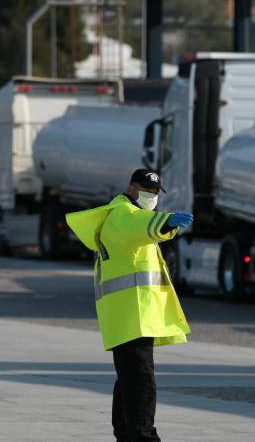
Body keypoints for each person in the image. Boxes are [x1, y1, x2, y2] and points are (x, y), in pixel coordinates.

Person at [65, 168, 192, 442]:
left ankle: (126, 433)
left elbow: (143, 228)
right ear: (132, 187)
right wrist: (167, 221)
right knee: (141, 381)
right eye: (148, 191)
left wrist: (164, 225)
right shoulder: (121, 214)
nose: (153, 196)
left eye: (156, 192)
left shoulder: (123, 215)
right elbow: (140, 225)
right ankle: (143, 436)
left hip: (129, 314)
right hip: (132, 314)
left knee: (129, 379)